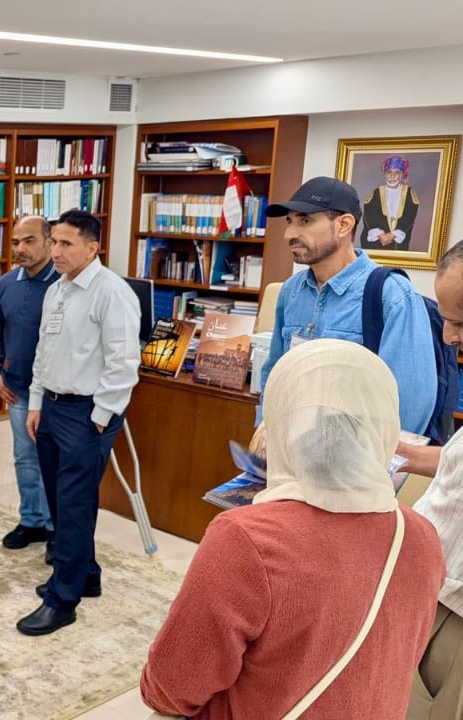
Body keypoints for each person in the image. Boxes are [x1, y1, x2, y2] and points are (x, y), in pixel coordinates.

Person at [140, 339, 445, 719]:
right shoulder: (421, 536)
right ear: (383, 429)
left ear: (281, 423)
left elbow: (172, 688)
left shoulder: (248, 539)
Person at [16, 209, 139, 636]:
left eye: (66, 244)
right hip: (51, 407)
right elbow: (43, 352)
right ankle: (85, 574)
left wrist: (100, 418)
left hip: (87, 413)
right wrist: (35, 403)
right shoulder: (58, 289)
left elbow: (124, 363)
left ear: (92, 248)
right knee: (62, 499)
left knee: (72, 504)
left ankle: (62, 600)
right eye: (54, 242)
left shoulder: (112, 293)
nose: (56, 251)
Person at [257, 176, 435, 438]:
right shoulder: (291, 291)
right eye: (289, 221)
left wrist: (376, 459)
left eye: (304, 221)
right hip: (290, 446)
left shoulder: (393, 295)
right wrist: (265, 430)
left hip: (357, 455)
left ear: (344, 225)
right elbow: (274, 372)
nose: (289, 234)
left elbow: (409, 403)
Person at [391, 239, 463, 719]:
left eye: (460, 323)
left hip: (452, 610)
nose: (448, 337)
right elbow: (456, 463)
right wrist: (397, 454)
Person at [0, 215, 59, 549]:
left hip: (55, 394)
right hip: (18, 389)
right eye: (15, 242)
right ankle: (31, 520)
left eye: (29, 241)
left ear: (49, 242)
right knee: (25, 459)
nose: (20, 249)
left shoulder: (63, 284)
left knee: (52, 462)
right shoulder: (6, 283)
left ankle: (55, 529)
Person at [361, 155, 420, 250]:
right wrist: (380, 235)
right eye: (389, 172)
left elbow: (409, 217)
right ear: (385, 174)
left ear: (402, 174)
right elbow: (369, 215)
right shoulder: (377, 192)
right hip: (378, 240)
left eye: (396, 172)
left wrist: (393, 235)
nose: (392, 176)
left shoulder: (408, 193)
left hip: (397, 242)